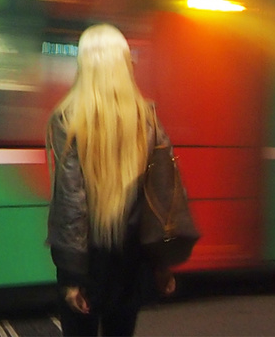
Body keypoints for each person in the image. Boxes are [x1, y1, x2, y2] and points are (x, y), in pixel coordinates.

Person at [47, 24, 177, 337]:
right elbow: (161, 196)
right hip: (130, 260)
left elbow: (71, 202)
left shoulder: (67, 118)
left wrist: (71, 275)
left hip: (88, 259)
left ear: (84, 65)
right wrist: (162, 264)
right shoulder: (146, 120)